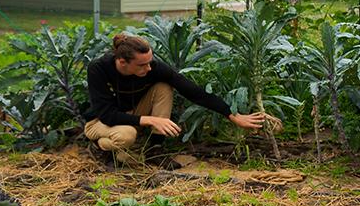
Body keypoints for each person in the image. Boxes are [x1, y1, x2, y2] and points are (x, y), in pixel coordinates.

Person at [84, 33, 265, 166]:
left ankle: (154, 150)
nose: (149, 68)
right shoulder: (99, 69)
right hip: (100, 122)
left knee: (163, 86)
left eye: (150, 62)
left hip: (131, 115)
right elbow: (108, 115)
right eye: (142, 64)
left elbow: (192, 91)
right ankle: (102, 148)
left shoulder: (152, 68)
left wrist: (232, 115)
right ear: (122, 62)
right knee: (126, 135)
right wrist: (152, 119)